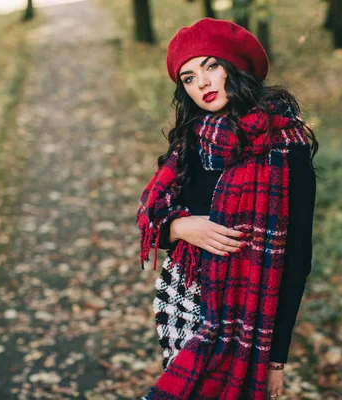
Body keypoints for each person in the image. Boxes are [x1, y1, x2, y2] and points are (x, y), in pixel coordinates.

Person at [136, 17, 318, 400]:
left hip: (250, 314)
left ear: (236, 67)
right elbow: (155, 214)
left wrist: (276, 361)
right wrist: (181, 228)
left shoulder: (288, 146)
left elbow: (298, 259)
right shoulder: (192, 138)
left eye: (211, 66)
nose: (201, 83)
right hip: (185, 296)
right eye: (188, 78)